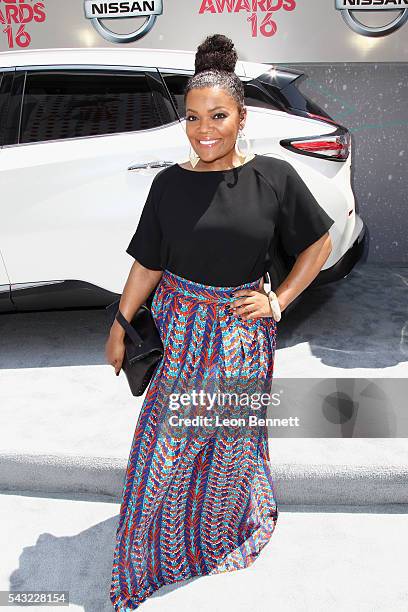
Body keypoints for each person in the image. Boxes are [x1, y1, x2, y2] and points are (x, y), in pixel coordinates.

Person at [106, 33, 334, 611]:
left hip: (240, 336)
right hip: (179, 331)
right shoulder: (168, 184)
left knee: (228, 445)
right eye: (192, 117)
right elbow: (147, 263)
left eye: (218, 116)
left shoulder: (275, 178)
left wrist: (279, 300)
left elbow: (319, 243)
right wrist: (120, 320)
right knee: (166, 447)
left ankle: (220, 532)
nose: (203, 129)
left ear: (241, 117)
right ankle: (152, 552)